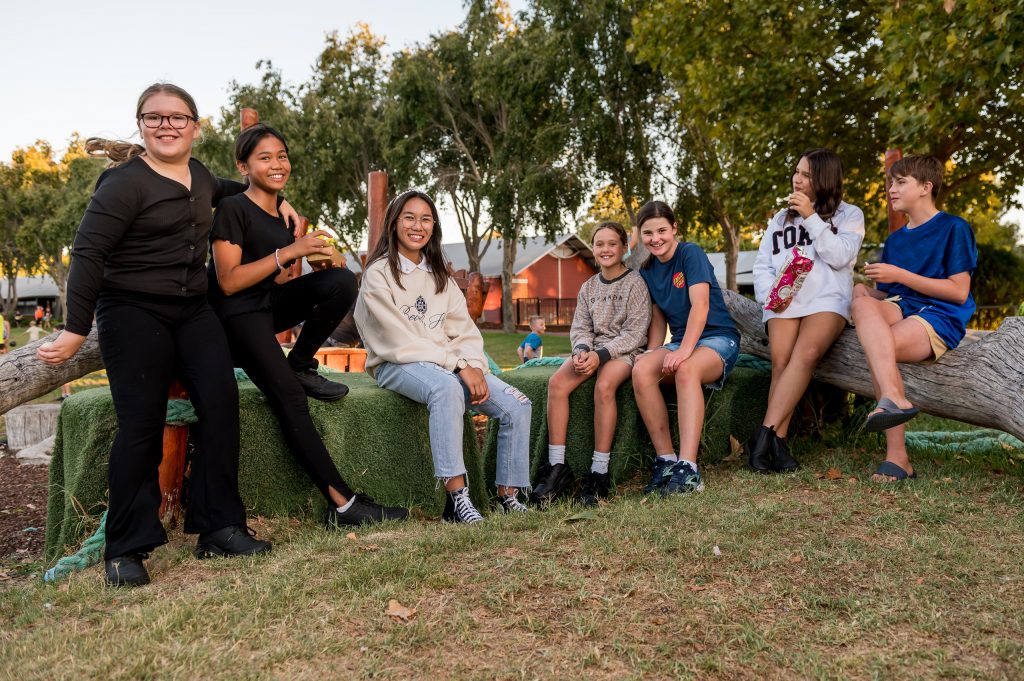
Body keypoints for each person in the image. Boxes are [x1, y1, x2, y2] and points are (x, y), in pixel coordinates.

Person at [37, 83, 279, 587]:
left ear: (195, 125)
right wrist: (76, 330)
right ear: (141, 124)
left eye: (177, 117)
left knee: (220, 401)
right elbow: (87, 255)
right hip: (131, 309)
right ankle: (126, 547)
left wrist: (279, 201)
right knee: (141, 424)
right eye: (155, 117)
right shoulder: (124, 184)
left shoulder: (199, 175)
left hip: (192, 309)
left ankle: (220, 528)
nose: (167, 125)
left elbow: (230, 190)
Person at [208, 123, 408, 527]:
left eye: (281, 155)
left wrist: (313, 261)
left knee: (340, 281)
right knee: (291, 401)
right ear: (242, 166)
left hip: (264, 306)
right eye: (264, 157)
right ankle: (344, 504)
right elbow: (228, 282)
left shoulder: (283, 215)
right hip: (234, 319)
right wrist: (290, 251)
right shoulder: (232, 210)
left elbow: (277, 279)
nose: (277, 164)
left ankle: (299, 363)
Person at [354, 189, 532, 523]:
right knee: (446, 388)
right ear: (393, 224)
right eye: (409, 217)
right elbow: (397, 339)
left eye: (425, 219)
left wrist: (474, 366)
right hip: (395, 364)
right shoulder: (378, 274)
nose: (417, 226)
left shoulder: (439, 278)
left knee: (517, 405)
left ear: (433, 227)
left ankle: (508, 495)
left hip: (447, 365)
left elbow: (464, 332)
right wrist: (458, 366)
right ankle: (457, 499)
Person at [851, 155, 976, 482]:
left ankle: (897, 457)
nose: (891, 189)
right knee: (862, 304)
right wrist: (863, 292)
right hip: (902, 305)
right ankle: (894, 397)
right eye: (891, 183)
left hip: (940, 313)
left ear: (925, 187)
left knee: (881, 346)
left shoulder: (954, 228)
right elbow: (890, 293)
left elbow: (959, 291)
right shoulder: (896, 240)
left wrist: (899, 274)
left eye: (900, 182)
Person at [747, 148, 865, 473]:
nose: (797, 179)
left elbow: (840, 256)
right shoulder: (779, 219)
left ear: (824, 180)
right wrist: (769, 295)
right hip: (784, 300)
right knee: (781, 363)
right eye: (796, 172)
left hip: (826, 300)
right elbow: (761, 265)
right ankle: (776, 445)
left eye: (807, 175)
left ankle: (761, 439)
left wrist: (812, 217)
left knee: (807, 354)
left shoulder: (849, 215)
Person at [531, 222, 651, 505]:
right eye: (599, 244)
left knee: (605, 385)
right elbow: (581, 326)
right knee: (557, 383)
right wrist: (582, 350)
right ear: (593, 249)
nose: (605, 249)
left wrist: (602, 356)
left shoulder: (635, 284)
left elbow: (635, 332)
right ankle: (557, 467)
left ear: (624, 248)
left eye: (612, 244)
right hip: (593, 350)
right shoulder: (588, 287)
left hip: (624, 352)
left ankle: (599, 470)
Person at [631, 201, 740, 496]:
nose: (656, 239)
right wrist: (654, 350)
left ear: (674, 228)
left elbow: (701, 307)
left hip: (717, 338)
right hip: (681, 340)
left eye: (662, 230)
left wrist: (682, 352)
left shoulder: (690, 253)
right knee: (641, 370)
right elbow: (658, 319)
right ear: (640, 234)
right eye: (648, 233)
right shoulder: (647, 269)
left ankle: (689, 468)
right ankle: (666, 460)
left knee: (686, 369)